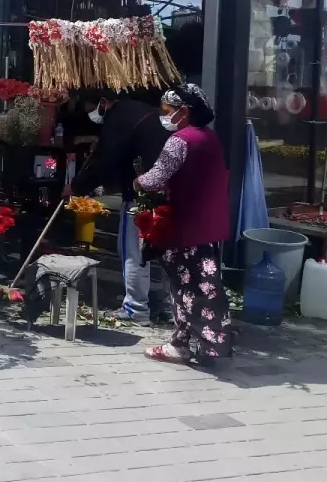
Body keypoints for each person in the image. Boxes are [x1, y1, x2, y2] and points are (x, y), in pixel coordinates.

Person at [134, 83, 232, 365]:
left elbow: (156, 177)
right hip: (206, 228)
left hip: (182, 226)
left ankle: (180, 345)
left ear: (184, 111)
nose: (165, 116)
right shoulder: (210, 138)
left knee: (183, 287)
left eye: (168, 111)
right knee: (205, 286)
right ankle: (206, 344)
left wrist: (137, 181)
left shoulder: (180, 141)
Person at [67, 88, 171, 324]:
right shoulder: (138, 111)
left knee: (133, 250)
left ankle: (136, 308)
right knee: (166, 251)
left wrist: (76, 187)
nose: (93, 115)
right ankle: (171, 307)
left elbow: (105, 160)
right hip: (166, 191)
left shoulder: (118, 119)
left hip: (141, 194)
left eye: (92, 110)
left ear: (103, 102)